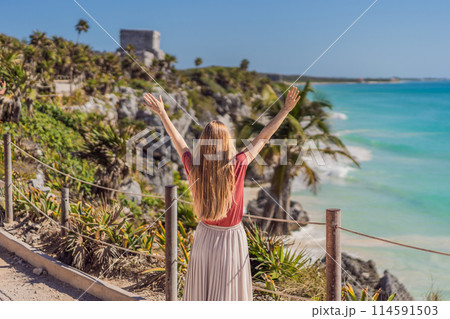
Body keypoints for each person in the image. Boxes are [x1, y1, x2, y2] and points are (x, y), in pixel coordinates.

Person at [143, 86, 301, 301]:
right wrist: (285, 110)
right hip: (230, 239)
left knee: (202, 294)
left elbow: (178, 140)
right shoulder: (238, 164)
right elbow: (263, 138)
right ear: (227, 143)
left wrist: (162, 113)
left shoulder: (194, 166)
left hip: (204, 237)